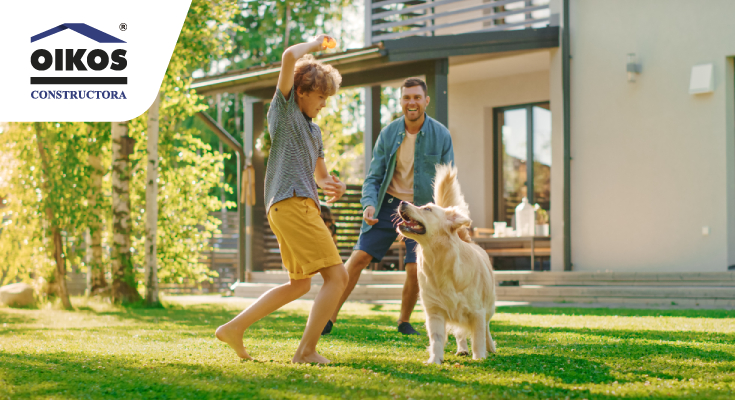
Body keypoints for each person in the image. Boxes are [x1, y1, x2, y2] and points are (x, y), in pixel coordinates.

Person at [216, 35, 348, 364]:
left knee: (300, 285)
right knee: (338, 277)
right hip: (293, 203)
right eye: (320, 96)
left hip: (291, 205)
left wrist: (335, 186)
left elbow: (321, 176)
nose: (323, 103)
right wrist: (317, 45)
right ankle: (305, 351)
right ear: (301, 91)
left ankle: (234, 328)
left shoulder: (314, 132)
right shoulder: (285, 113)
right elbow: (289, 56)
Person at [324, 77, 454, 336]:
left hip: (421, 210)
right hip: (389, 204)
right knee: (358, 258)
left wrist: (444, 217)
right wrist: (369, 205)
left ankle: (404, 321)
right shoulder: (389, 133)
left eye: (417, 97)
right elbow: (373, 177)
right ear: (401, 102)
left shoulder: (441, 135)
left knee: (416, 267)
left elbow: (448, 183)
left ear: (426, 101)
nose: (412, 102)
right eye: (407, 97)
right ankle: (328, 317)